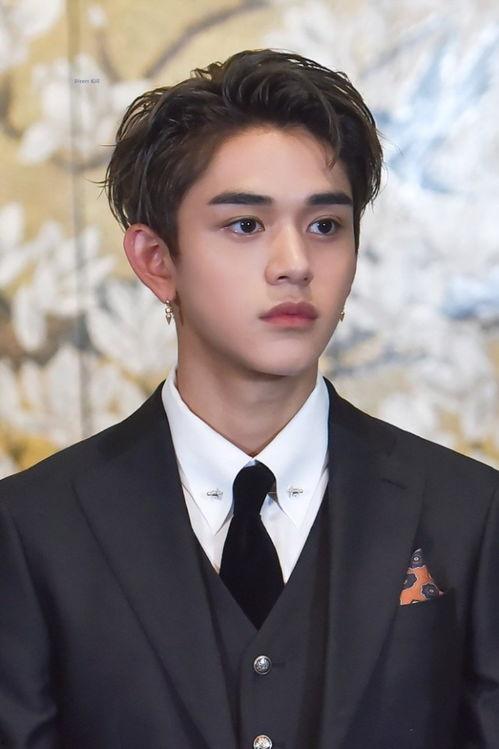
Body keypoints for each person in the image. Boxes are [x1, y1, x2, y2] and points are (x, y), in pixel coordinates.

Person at [0, 48, 497, 749]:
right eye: (245, 225)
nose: (295, 264)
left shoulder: (470, 514)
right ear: (156, 260)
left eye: (325, 226)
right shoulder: (30, 531)